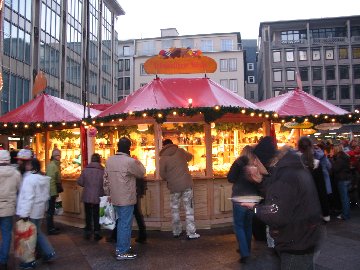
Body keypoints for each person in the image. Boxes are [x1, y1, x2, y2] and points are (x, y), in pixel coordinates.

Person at [241, 136, 323, 270]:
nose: (254, 166)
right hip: (305, 237)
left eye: (255, 162)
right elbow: (282, 197)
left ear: (261, 161)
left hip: (296, 243)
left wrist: (255, 208)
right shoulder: (288, 169)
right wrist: (261, 182)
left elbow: (276, 214)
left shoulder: (285, 177)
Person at [103, 137, 146, 260]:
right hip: (126, 198)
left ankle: (122, 246)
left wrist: (108, 194)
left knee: (120, 223)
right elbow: (142, 172)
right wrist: (135, 160)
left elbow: (105, 180)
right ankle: (122, 251)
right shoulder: (129, 161)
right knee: (125, 224)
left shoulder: (109, 160)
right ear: (129, 148)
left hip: (114, 197)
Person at [227, 145, 267, 263]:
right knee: (248, 224)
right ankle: (246, 249)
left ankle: (244, 252)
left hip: (240, 198)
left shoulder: (239, 162)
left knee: (239, 225)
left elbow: (231, 178)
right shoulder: (256, 163)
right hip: (253, 198)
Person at [16, 158, 56, 269]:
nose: (26, 166)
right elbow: (45, 196)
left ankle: (30, 260)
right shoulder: (42, 179)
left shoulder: (29, 180)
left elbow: (28, 198)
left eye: (28, 164)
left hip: (32, 211)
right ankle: (47, 253)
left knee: (30, 236)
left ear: (32, 166)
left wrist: (24, 213)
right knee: (37, 233)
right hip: (39, 210)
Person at [159, 139, 200, 240]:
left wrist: (169, 178)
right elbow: (190, 157)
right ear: (172, 144)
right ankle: (191, 232)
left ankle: (176, 231)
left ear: (163, 146)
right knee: (189, 209)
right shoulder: (180, 151)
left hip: (174, 187)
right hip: (186, 185)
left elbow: (162, 174)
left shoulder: (163, 158)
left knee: (175, 210)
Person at [298, 137, 331, 222]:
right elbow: (321, 190)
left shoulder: (295, 163)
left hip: (300, 205)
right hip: (314, 204)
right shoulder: (316, 163)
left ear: (299, 148)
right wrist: (325, 213)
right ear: (311, 146)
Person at [0, 150, 22, 270]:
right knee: (7, 234)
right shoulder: (15, 173)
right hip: (8, 208)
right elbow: (20, 189)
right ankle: (3, 261)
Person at [77, 153, 104, 241]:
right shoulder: (102, 171)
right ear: (99, 160)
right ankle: (97, 232)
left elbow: (80, 182)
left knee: (88, 214)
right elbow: (106, 184)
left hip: (87, 195)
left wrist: (87, 185)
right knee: (97, 215)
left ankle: (88, 231)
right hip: (98, 196)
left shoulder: (85, 170)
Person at [332, 144, 352, 220]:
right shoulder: (345, 157)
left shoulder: (340, 159)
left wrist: (333, 160)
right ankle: (346, 213)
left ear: (336, 150)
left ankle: (345, 215)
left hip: (342, 179)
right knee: (346, 198)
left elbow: (335, 168)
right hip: (347, 178)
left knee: (344, 198)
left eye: (333, 150)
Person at [46, 149, 62, 235]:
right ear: (54, 156)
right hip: (51, 190)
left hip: (51, 190)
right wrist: (54, 191)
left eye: (59, 155)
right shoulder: (53, 166)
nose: (59, 157)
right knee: (50, 210)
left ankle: (51, 226)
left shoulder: (53, 165)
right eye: (57, 155)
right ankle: (50, 228)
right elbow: (53, 179)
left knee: (51, 209)